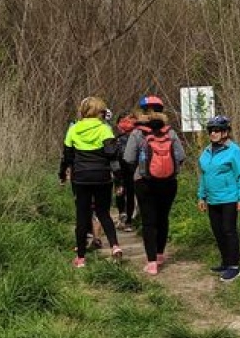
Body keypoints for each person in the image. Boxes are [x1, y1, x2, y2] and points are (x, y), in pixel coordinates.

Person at [58, 96, 123, 268]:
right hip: (102, 176)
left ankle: (80, 258)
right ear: (99, 111)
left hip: (81, 177)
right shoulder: (104, 129)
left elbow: (67, 156)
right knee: (103, 213)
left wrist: (62, 174)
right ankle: (115, 246)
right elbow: (112, 155)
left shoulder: (73, 129)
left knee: (82, 215)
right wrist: (119, 179)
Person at [123, 95, 185, 275]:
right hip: (169, 183)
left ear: (142, 111)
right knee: (162, 218)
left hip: (144, 182)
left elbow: (128, 158)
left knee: (148, 222)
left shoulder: (137, 132)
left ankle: (151, 263)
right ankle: (159, 254)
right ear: (161, 111)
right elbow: (180, 156)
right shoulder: (170, 132)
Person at [197, 115, 240, 282]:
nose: (213, 133)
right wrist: (201, 197)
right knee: (218, 232)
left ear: (225, 132)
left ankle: (234, 267)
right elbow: (204, 176)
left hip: (229, 198)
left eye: (217, 130)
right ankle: (225, 262)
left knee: (229, 231)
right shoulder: (206, 151)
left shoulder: (234, 150)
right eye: (211, 130)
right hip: (213, 199)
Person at [114, 112, 138, 231]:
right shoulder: (136, 136)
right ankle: (128, 221)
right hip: (132, 168)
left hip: (118, 168)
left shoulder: (116, 138)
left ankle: (122, 214)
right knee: (130, 193)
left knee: (120, 191)